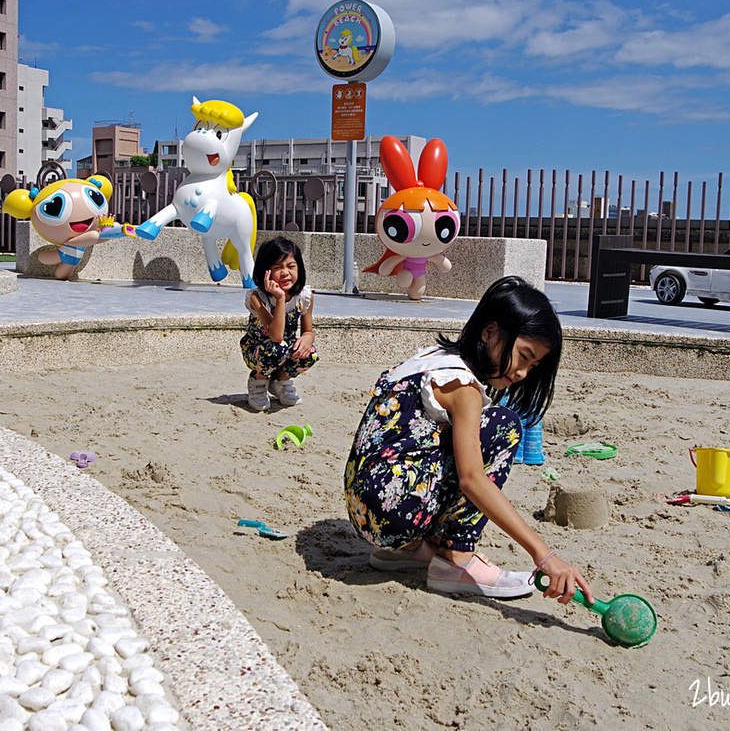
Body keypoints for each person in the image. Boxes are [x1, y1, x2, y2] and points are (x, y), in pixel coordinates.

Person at [344, 276, 593, 604]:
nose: (522, 373)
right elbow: (472, 479)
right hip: (395, 512)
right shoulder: (463, 386)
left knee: (436, 442)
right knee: (503, 426)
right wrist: (544, 555)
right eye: (523, 356)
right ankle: (455, 559)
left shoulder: (431, 358)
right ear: (489, 332)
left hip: (362, 510)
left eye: (533, 366)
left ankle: (405, 551)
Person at [241, 237, 318, 411]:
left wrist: (307, 339)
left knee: (310, 354)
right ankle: (258, 381)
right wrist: (280, 298)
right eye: (277, 267)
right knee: (278, 347)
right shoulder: (257, 298)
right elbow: (275, 335)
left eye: (291, 266)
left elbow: (308, 331)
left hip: (284, 347)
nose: (285, 273)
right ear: (265, 271)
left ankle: (279, 381)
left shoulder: (304, 297)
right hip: (259, 349)